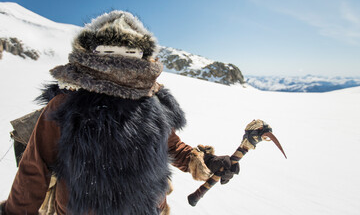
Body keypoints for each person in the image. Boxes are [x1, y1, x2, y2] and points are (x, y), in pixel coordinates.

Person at [0, 11, 239, 215]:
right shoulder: (67, 104)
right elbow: (35, 169)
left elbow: (171, 146)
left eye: (129, 54)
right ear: (92, 53)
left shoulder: (152, 101)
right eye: (110, 52)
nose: (120, 62)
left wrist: (205, 161)